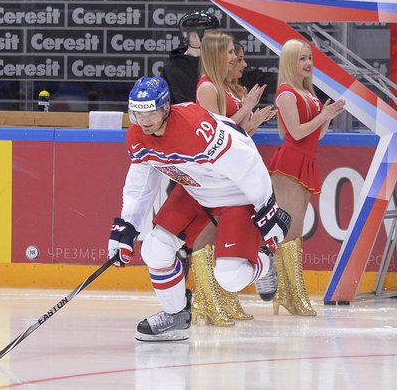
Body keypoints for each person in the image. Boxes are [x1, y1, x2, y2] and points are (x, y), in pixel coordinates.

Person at [107, 76, 291, 341]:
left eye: (151, 112)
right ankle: (176, 315)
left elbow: (247, 161)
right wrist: (128, 227)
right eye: (138, 113)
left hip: (236, 195)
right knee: (154, 249)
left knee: (230, 277)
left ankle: (263, 259)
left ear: (165, 107)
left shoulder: (196, 126)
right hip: (195, 189)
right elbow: (141, 183)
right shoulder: (137, 135)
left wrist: (266, 205)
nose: (144, 120)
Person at [187, 32, 275, 326]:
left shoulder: (221, 87)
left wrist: (253, 121)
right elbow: (215, 135)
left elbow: (234, 135)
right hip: (213, 173)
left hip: (230, 169)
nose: (235, 58)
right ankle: (205, 300)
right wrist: (247, 108)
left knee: (223, 236)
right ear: (214, 55)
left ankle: (221, 297)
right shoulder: (207, 88)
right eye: (228, 52)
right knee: (207, 235)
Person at [269, 39, 346, 316]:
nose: (308, 63)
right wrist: (323, 114)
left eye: (309, 57)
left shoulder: (307, 92)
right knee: (290, 231)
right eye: (302, 58)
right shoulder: (286, 92)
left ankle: (287, 293)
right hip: (290, 163)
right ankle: (292, 294)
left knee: (296, 231)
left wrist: (327, 117)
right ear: (290, 61)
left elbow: (317, 135)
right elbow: (297, 132)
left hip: (306, 161)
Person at [160, 10, 220, 105]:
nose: (216, 40)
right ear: (193, 37)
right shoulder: (172, 69)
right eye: (211, 35)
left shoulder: (222, 61)